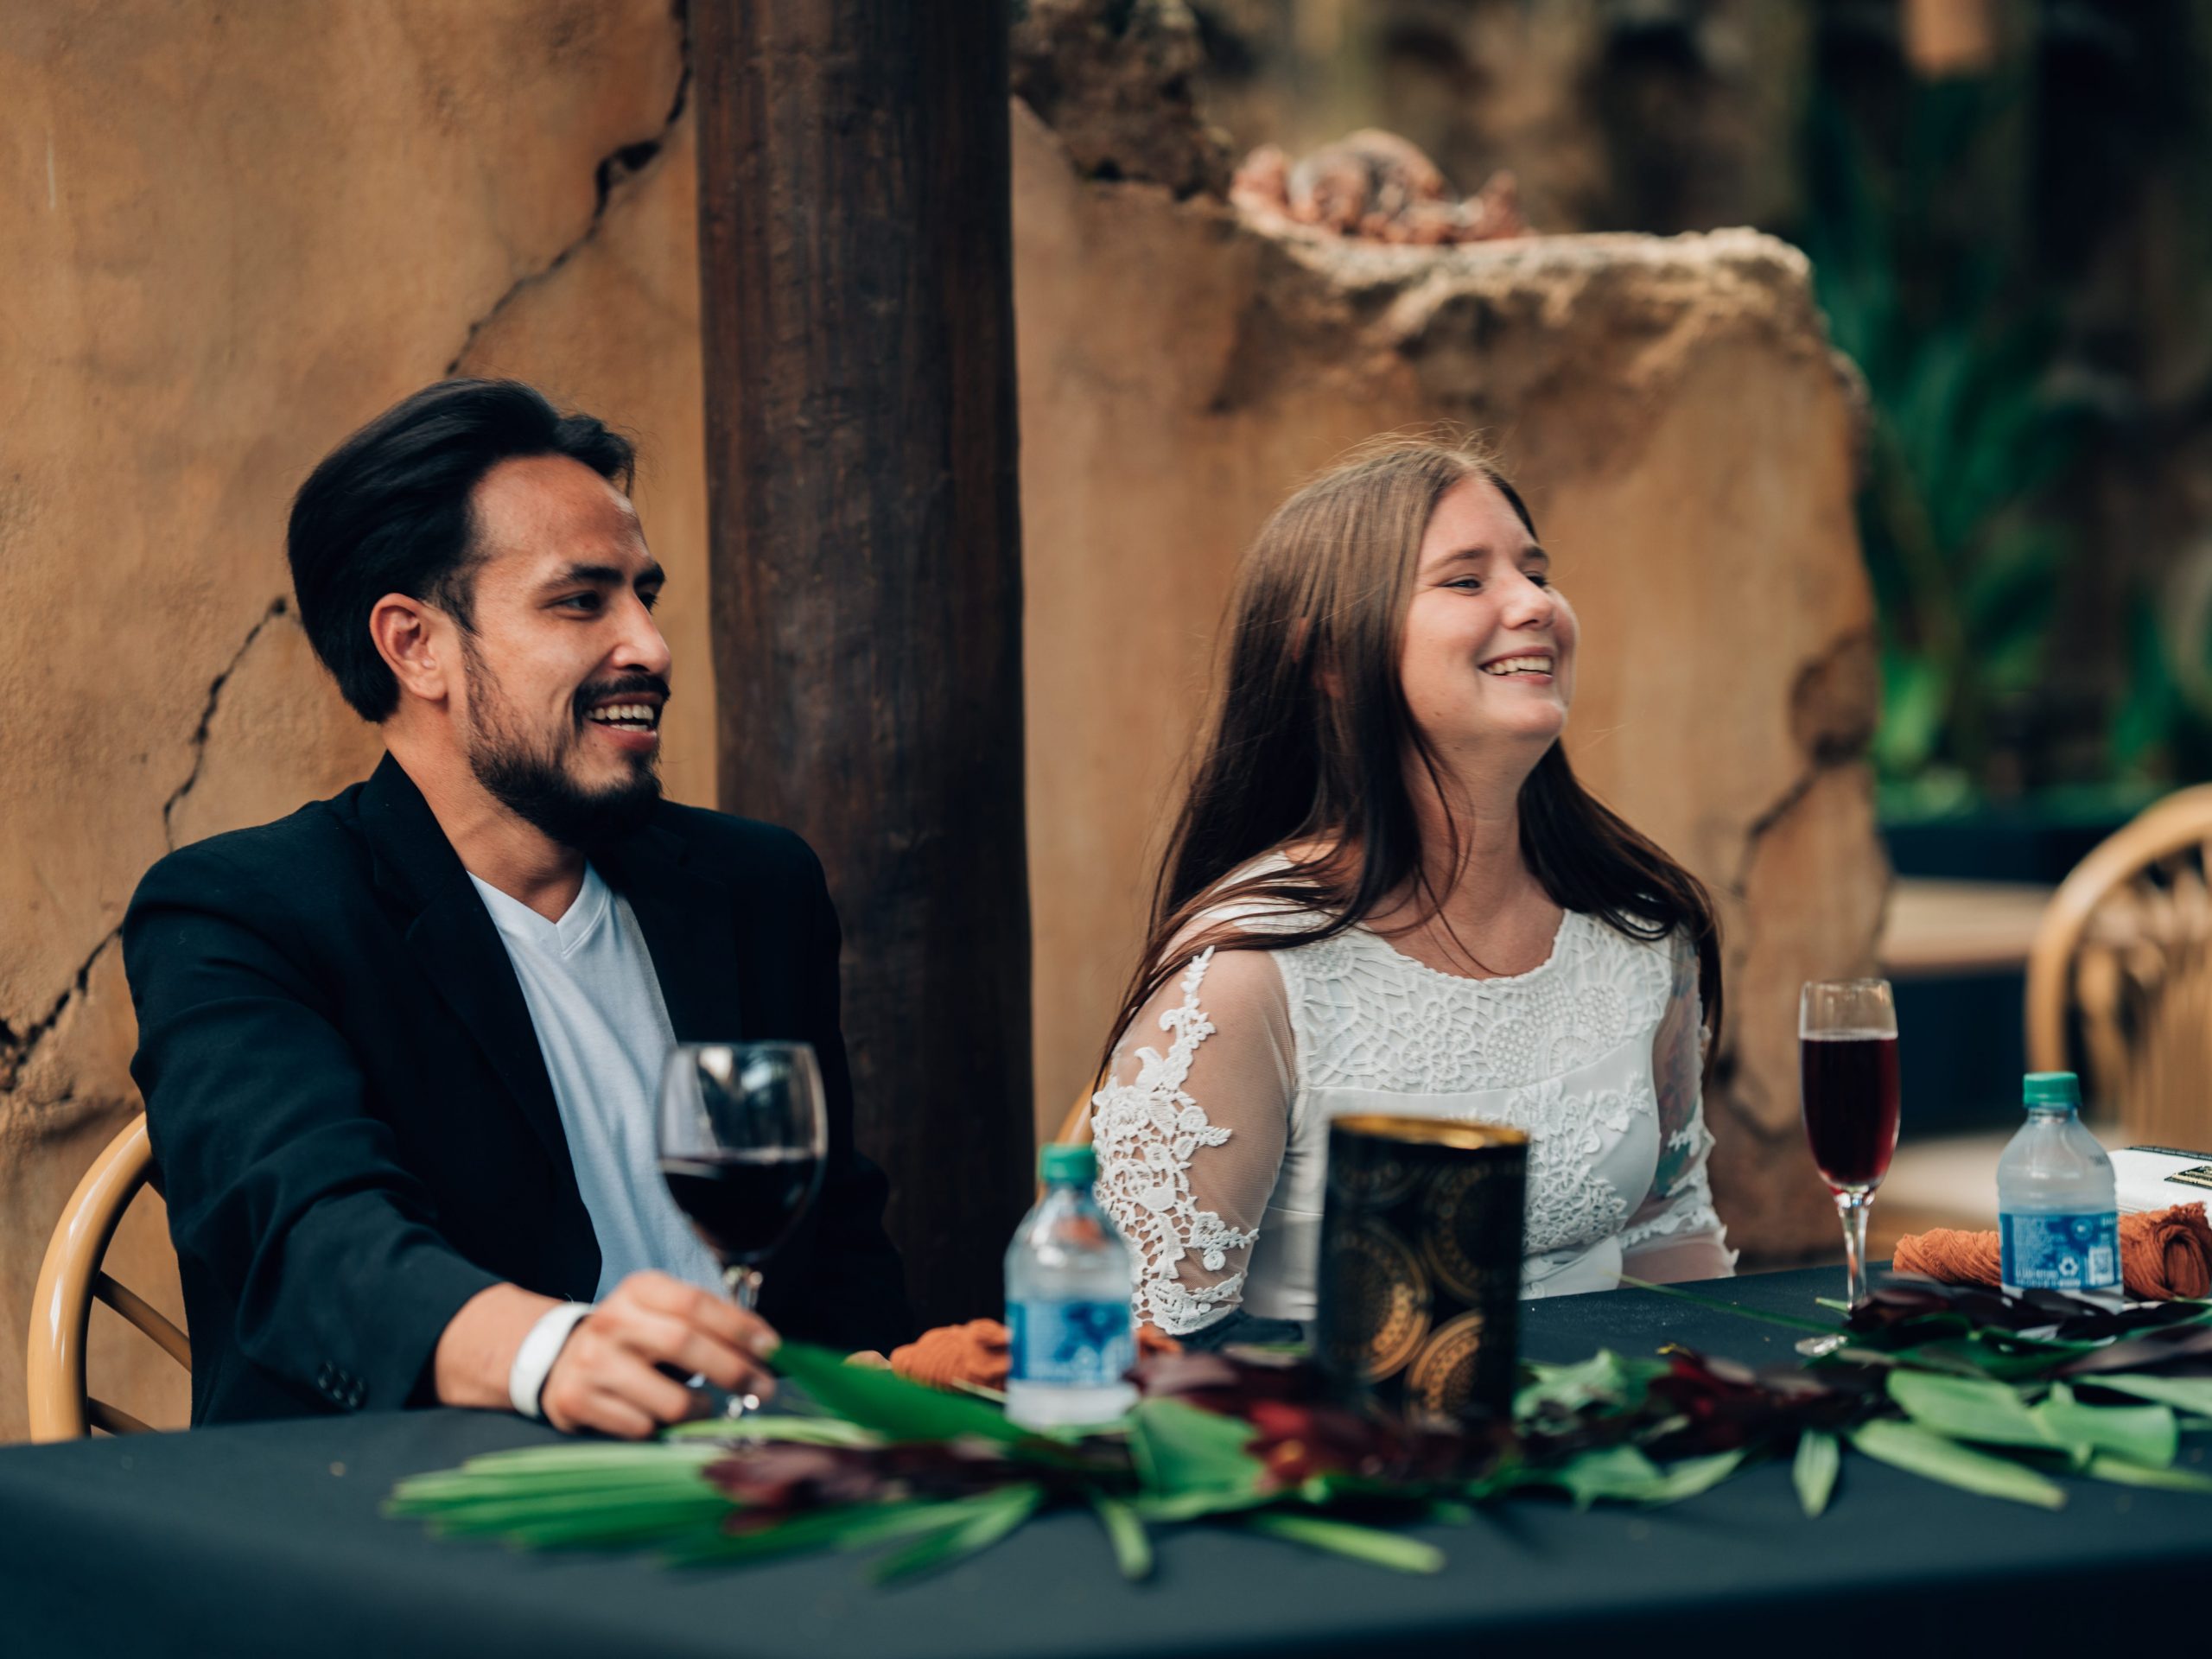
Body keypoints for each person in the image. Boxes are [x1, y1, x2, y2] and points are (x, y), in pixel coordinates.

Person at [124, 379, 911, 1434]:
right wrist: (552, 1353)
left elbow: (831, 1242)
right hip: (419, 1529)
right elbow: (308, 1236)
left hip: (764, 1505)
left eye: (645, 595)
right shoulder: (243, 913)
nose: (649, 645)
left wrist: (887, 1390)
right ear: (416, 646)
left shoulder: (756, 889)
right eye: (581, 600)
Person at [1090, 439, 1735, 1347]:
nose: (1535, 603)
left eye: (1535, 570)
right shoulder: (1251, 976)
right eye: (1466, 581)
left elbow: (1672, 1241)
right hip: (1347, 1468)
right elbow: (1151, 1350)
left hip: (1614, 1450)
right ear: (1332, 660)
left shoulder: (1638, 930)